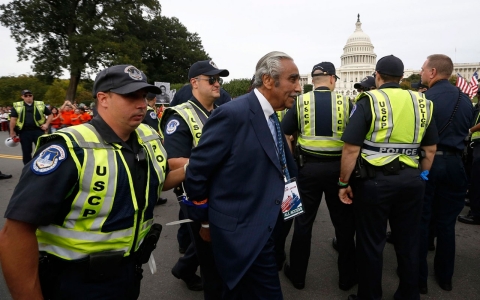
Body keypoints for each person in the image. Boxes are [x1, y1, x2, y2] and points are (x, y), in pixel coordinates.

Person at [0, 64, 186, 300]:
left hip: (128, 273)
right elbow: (14, 234)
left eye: (142, 96)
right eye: (130, 96)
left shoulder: (146, 138)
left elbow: (158, 181)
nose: (141, 103)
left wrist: (194, 167)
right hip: (76, 283)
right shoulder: (69, 148)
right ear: (103, 98)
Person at [184, 51, 300, 299]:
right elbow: (197, 173)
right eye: (293, 79)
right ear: (269, 80)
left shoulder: (270, 114)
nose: (299, 88)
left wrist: (289, 207)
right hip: (242, 235)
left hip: (266, 229)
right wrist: (205, 222)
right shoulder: (232, 114)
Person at [339, 55, 438, 300]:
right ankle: (408, 294)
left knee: (371, 244)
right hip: (412, 181)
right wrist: (422, 175)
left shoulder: (369, 99)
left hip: (374, 182)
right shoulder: (421, 101)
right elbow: (431, 149)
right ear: (403, 77)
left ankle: (370, 296)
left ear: (377, 75)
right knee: (408, 243)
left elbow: (351, 148)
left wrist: (343, 182)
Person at [281, 62, 356, 291]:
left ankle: (298, 276)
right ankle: (346, 278)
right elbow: (355, 139)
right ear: (333, 79)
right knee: (343, 225)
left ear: (313, 80)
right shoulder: (346, 102)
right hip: (338, 169)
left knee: (303, 223)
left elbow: (285, 132)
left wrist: (292, 160)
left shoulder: (301, 101)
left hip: (308, 170)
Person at [161, 59, 230, 298]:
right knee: (213, 265)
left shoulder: (221, 112)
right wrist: (216, 165)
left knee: (215, 250)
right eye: (211, 79)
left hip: (224, 195)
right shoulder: (179, 116)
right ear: (194, 82)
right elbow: (172, 161)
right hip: (198, 198)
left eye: (219, 79)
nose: (217, 83)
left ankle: (184, 269)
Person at [418, 54, 474, 293]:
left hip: (429, 164)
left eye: (422, 69)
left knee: (421, 221)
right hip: (456, 165)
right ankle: (445, 277)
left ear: (432, 72)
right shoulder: (466, 100)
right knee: (446, 225)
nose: (420, 73)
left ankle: (418, 278)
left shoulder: (424, 100)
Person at [9, 89, 52, 165]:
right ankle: (27, 168)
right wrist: (12, 131)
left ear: (32, 96)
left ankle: (42, 166)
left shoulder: (40, 104)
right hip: (24, 131)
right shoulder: (17, 106)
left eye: (30, 95)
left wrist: (46, 124)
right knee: (26, 151)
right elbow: (13, 119)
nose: (28, 97)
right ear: (22, 97)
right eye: (26, 95)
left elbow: (50, 114)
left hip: (38, 130)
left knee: (42, 149)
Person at [458, 89, 480, 225]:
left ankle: (476, 214)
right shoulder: (477, 107)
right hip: (475, 144)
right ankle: (473, 202)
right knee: (474, 179)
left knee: (477, 181)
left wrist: (470, 130)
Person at [142, 92, 168, 206]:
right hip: (151, 143)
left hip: (142, 143)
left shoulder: (143, 110)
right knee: (153, 170)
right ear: (154, 99)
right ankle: (154, 196)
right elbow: (156, 127)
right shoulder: (149, 111)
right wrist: (162, 140)